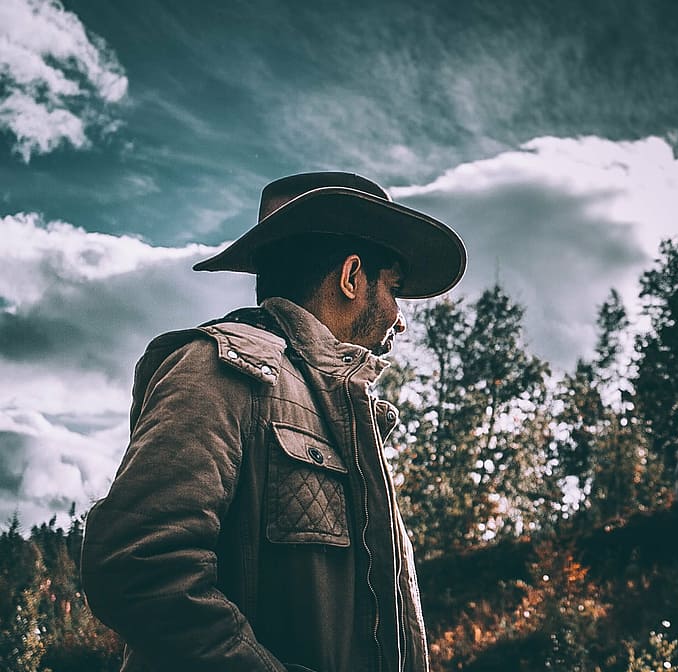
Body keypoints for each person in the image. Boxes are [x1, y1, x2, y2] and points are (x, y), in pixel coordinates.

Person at [81, 172, 467, 672]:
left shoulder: (343, 414)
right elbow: (139, 566)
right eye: (393, 289)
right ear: (351, 278)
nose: (400, 317)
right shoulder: (216, 370)